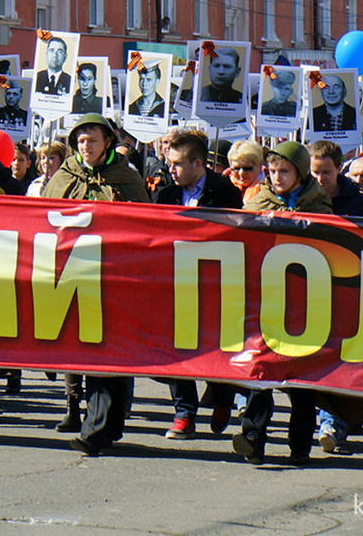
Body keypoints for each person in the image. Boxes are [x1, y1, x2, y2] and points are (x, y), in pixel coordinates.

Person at [41, 113, 149, 453]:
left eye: (93, 140)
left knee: (112, 354)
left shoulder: (126, 178)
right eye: (81, 141)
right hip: (73, 277)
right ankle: (96, 428)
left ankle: (107, 424)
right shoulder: (63, 177)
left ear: (107, 143)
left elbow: (143, 223)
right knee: (90, 352)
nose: (86, 147)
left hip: (115, 275)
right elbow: (40, 218)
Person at [236, 141, 330, 466]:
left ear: (301, 172)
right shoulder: (258, 202)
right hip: (266, 299)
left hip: (305, 301)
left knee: (301, 378)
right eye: (272, 171)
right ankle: (253, 438)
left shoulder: (319, 206)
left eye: (284, 171)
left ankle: (299, 444)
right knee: (259, 371)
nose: (277, 177)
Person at [155, 132, 243, 440]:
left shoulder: (226, 193)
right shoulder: (165, 195)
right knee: (177, 346)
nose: (172, 170)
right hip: (177, 281)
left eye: (178, 164)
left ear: (197, 163)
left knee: (217, 344)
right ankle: (184, 413)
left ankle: (222, 396)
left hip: (218, 280)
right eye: (169, 164)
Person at [309, 140, 363, 217]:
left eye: (326, 172)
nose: (320, 178)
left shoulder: (360, 203)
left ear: (339, 169)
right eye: (316, 173)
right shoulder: (301, 200)